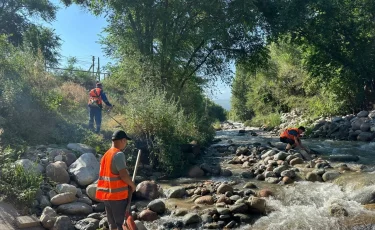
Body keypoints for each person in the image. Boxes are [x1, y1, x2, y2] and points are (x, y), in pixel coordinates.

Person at [96, 130, 136, 230]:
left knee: (112, 224)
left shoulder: (106, 155)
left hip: (107, 196)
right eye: (126, 141)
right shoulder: (118, 154)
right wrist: (132, 185)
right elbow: (123, 175)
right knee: (121, 224)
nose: (125, 144)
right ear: (123, 140)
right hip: (118, 197)